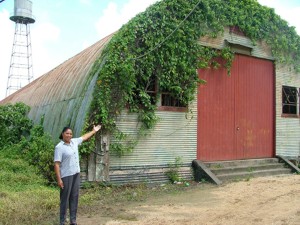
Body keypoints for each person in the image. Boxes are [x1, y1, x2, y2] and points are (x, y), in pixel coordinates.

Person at [54, 124, 101, 225]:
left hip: (76, 174)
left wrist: (93, 131)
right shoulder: (59, 147)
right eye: (67, 133)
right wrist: (59, 179)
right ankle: (62, 221)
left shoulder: (74, 142)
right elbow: (57, 164)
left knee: (74, 197)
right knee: (65, 199)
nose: (69, 135)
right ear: (62, 134)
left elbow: (84, 137)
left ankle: (73, 221)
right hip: (66, 176)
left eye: (71, 134)